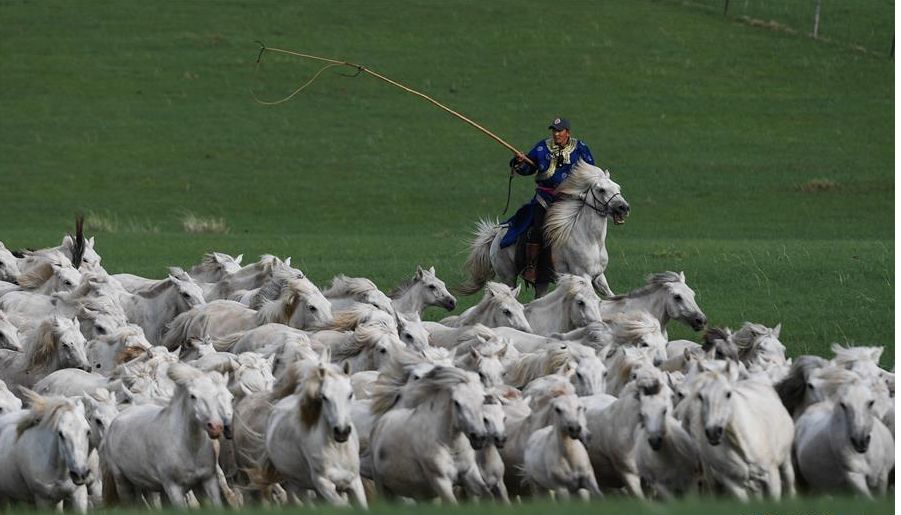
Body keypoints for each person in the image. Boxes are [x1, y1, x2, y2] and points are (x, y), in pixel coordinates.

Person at [508, 117, 596, 284]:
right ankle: (531, 267)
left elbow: (591, 171)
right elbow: (529, 168)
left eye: (559, 131)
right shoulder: (542, 147)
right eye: (554, 131)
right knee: (538, 229)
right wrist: (520, 162)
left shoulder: (580, 148)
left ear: (567, 132)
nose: (556, 134)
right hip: (545, 199)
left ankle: (589, 259)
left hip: (571, 200)